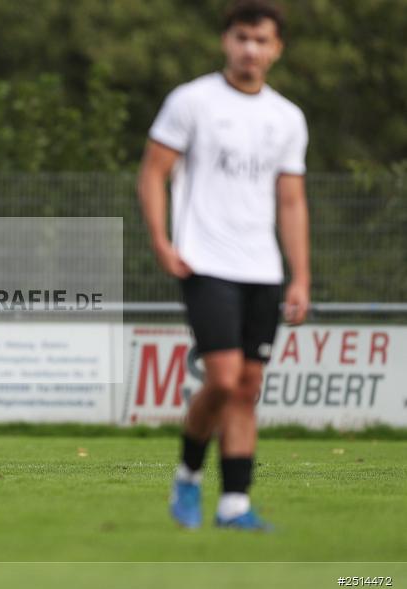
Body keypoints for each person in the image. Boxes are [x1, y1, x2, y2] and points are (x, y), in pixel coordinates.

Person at [138, 0, 309, 530]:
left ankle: (235, 504)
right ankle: (189, 476)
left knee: (247, 386)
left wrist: (300, 274)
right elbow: (152, 174)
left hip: (263, 269)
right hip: (205, 262)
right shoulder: (191, 101)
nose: (250, 49)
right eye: (241, 38)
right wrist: (163, 241)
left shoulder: (287, 117)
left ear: (276, 49)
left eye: (261, 41)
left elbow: (291, 201)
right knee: (225, 377)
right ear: (226, 41)